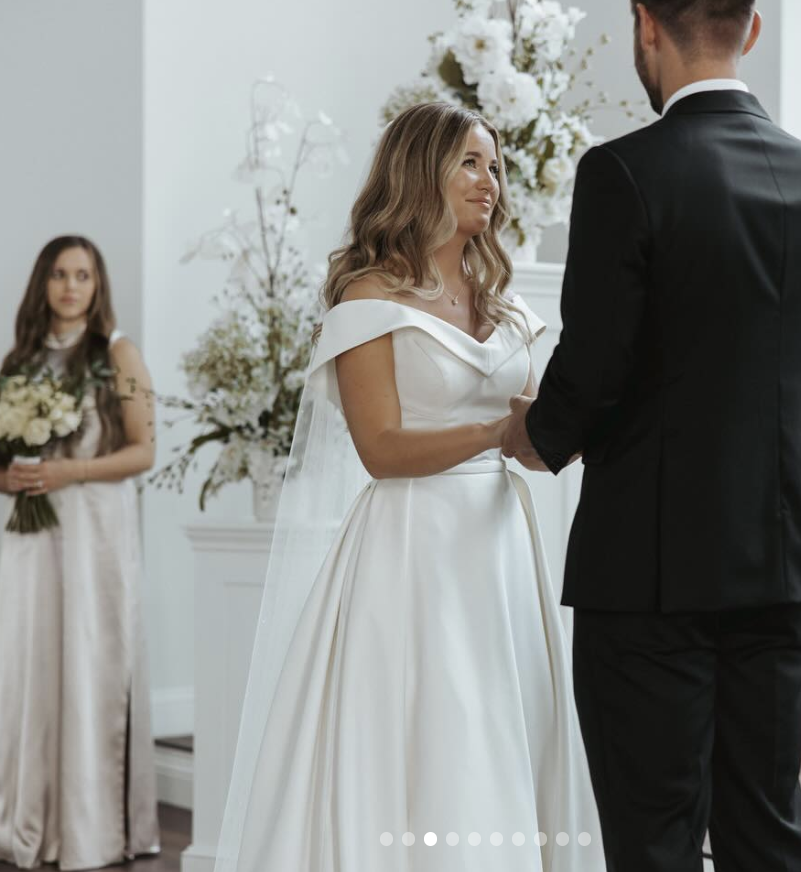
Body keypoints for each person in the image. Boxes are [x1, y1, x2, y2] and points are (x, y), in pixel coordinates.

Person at [503, 2, 801, 869]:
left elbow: (592, 370)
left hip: (649, 569)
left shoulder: (623, 173)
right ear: (751, 31)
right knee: (766, 822)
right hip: (781, 562)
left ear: (643, 26)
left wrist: (538, 434)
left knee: (654, 832)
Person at [212, 102, 604, 872]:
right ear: (417, 170)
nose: (488, 181)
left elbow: (536, 434)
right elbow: (381, 448)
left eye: (494, 165)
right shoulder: (369, 299)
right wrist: (501, 433)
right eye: (467, 162)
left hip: (497, 547)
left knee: (501, 722)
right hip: (412, 550)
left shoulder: (507, 301)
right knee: (431, 735)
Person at [0, 236, 160, 870]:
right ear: (43, 283)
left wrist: (67, 475)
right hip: (33, 537)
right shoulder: (18, 361)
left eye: (83, 274)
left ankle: (92, 827)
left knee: (92, 662)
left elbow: (144, 452)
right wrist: (20, 480)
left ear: (98, 284)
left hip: (97, 534)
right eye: (59, 274)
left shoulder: (119, 354)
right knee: (31, 665)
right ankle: (26, 820)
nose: (71, 286)